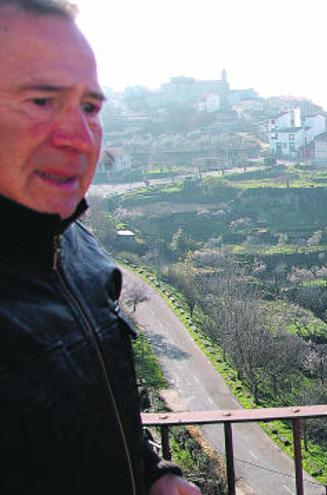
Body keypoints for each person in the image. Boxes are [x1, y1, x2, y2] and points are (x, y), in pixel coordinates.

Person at [0, 1, 200, 493]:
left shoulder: (76, 245)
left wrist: (153, 476)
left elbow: (100, 404)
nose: (81, 136)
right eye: (42, 101)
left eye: (89, 107)